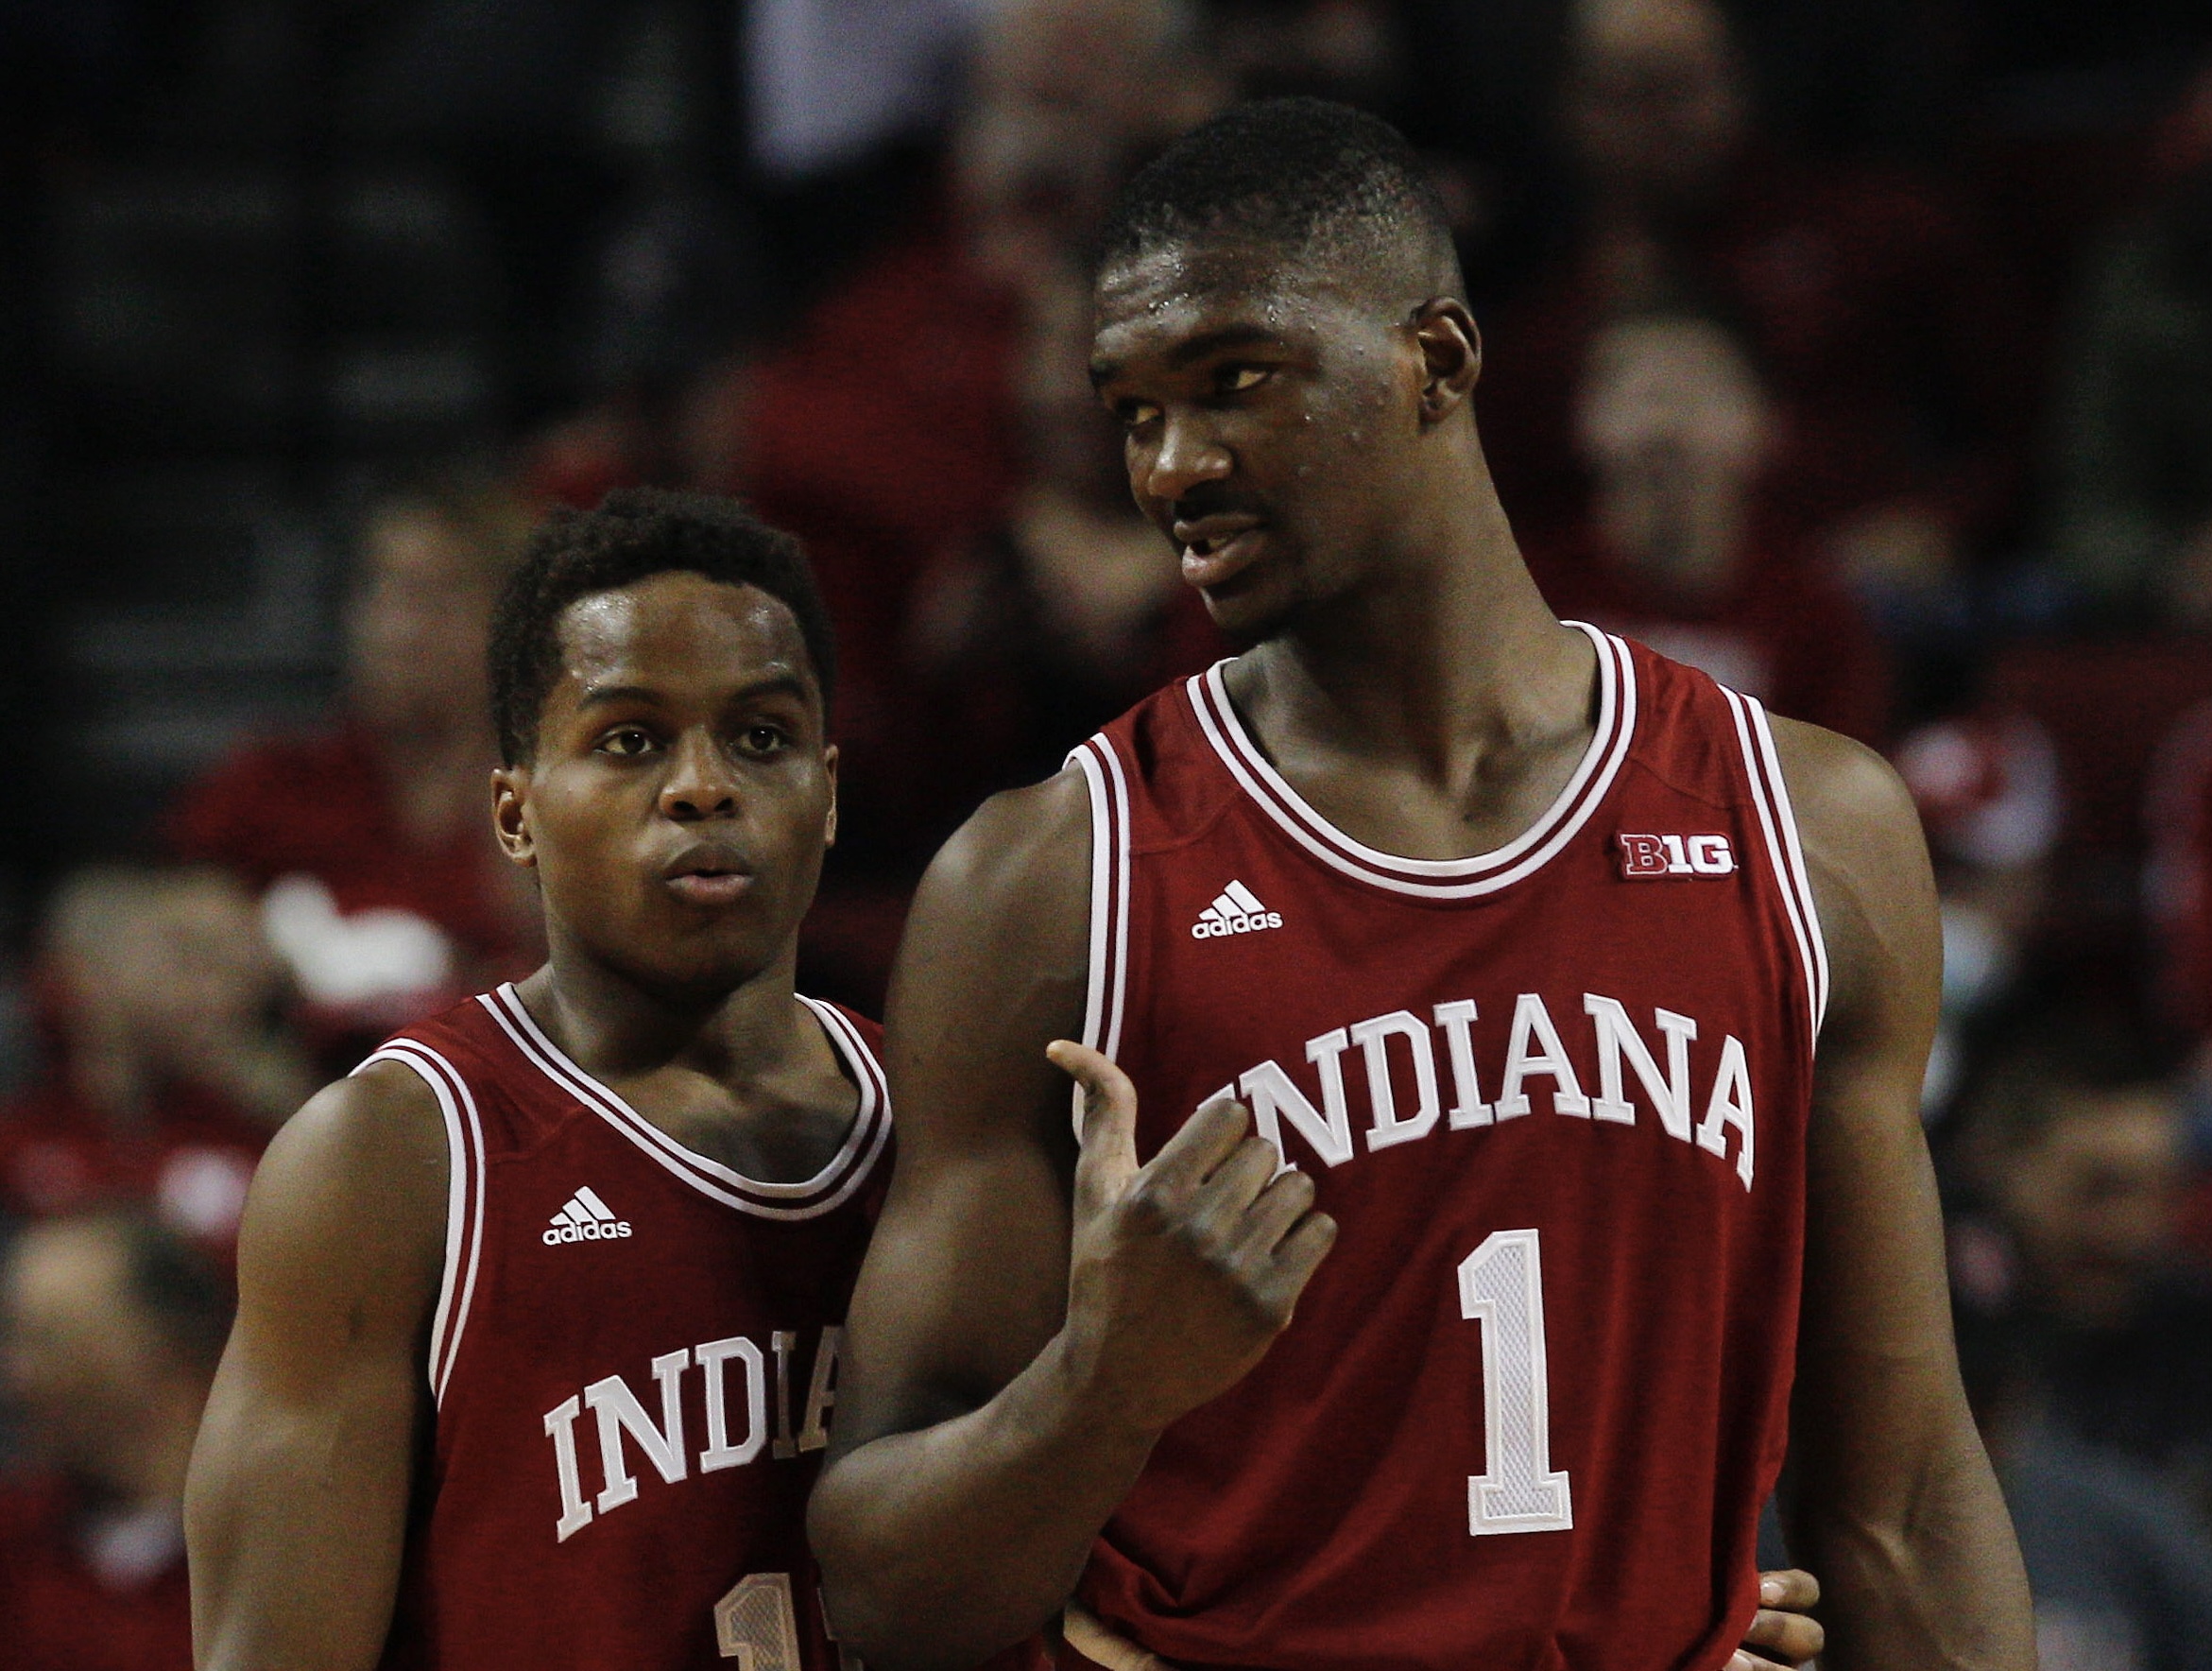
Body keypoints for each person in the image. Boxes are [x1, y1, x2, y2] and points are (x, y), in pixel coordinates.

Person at [808, 98, 2032, 1670]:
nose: (1172, 465)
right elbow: (889, 1602)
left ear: (1438, 363)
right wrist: (1103, 1385)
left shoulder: (1810, 829)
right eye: (1130, 411)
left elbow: (1905, 1496)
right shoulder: (1053, 879)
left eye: (1232, 381)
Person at [184, 489, 891, 1669]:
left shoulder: (935, 1118)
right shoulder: (390, 1157)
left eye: (760, 737)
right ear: (512, 810)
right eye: (630, 739)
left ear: (828, 794)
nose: (702, 786)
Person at [169, 476, 542, 1051]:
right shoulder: (271, 783)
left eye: (437, 599)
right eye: (381, 591)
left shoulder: (561, 806)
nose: (396, 630)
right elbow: (130, 941)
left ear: (515, 626)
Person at [0, 867, 313, 1253]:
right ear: (87, 971)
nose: (219, 997)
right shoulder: (24, 1129)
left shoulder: (254, 1127)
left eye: (232, 972)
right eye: (187, 963)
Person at [0, 1211, 231, 1671]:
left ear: (166, 1346)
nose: (16, 1378)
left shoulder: (279, 1547)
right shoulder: (13, 1545)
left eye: (53, 1341)